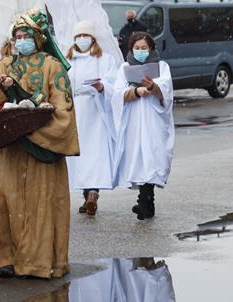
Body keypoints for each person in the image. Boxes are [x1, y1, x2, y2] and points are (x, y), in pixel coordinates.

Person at [0, 9, 79, 279]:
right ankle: (3, 259)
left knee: (39, 206)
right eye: (17, 36)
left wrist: (31, 128)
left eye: (26, 36)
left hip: (41, 151)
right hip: (10, 149)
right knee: (7, 203)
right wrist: (0, 88)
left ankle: (38, 262)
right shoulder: (3, 64)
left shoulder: (52, 66)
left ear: (38, 38)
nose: (21, 41)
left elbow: (64, 111)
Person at [111, 32, 175, 220]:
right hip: (133, 120)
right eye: (136, 48)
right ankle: (145, 201)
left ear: (151, 48)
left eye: (144, 48)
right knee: (138, 158)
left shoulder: (161, 67)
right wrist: (136, 91)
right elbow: (117, 93)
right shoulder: (124, 68)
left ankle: (146, 201)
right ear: (131, 49)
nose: (140, 51)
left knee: (152, 157)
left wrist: (153, 87)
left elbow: (167, 90)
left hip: (153, 120)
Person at [65, 20, 118, 216]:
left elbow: (113, 82)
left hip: (95, 110)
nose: (82, 39)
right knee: (79, 154)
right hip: (75, 109)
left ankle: (93, 192)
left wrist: (102, 87)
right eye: (78, 36)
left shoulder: (104, 59)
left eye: (85, 35)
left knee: (94, 152)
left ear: (93, 38)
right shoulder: (68, 60)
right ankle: (87, 194)